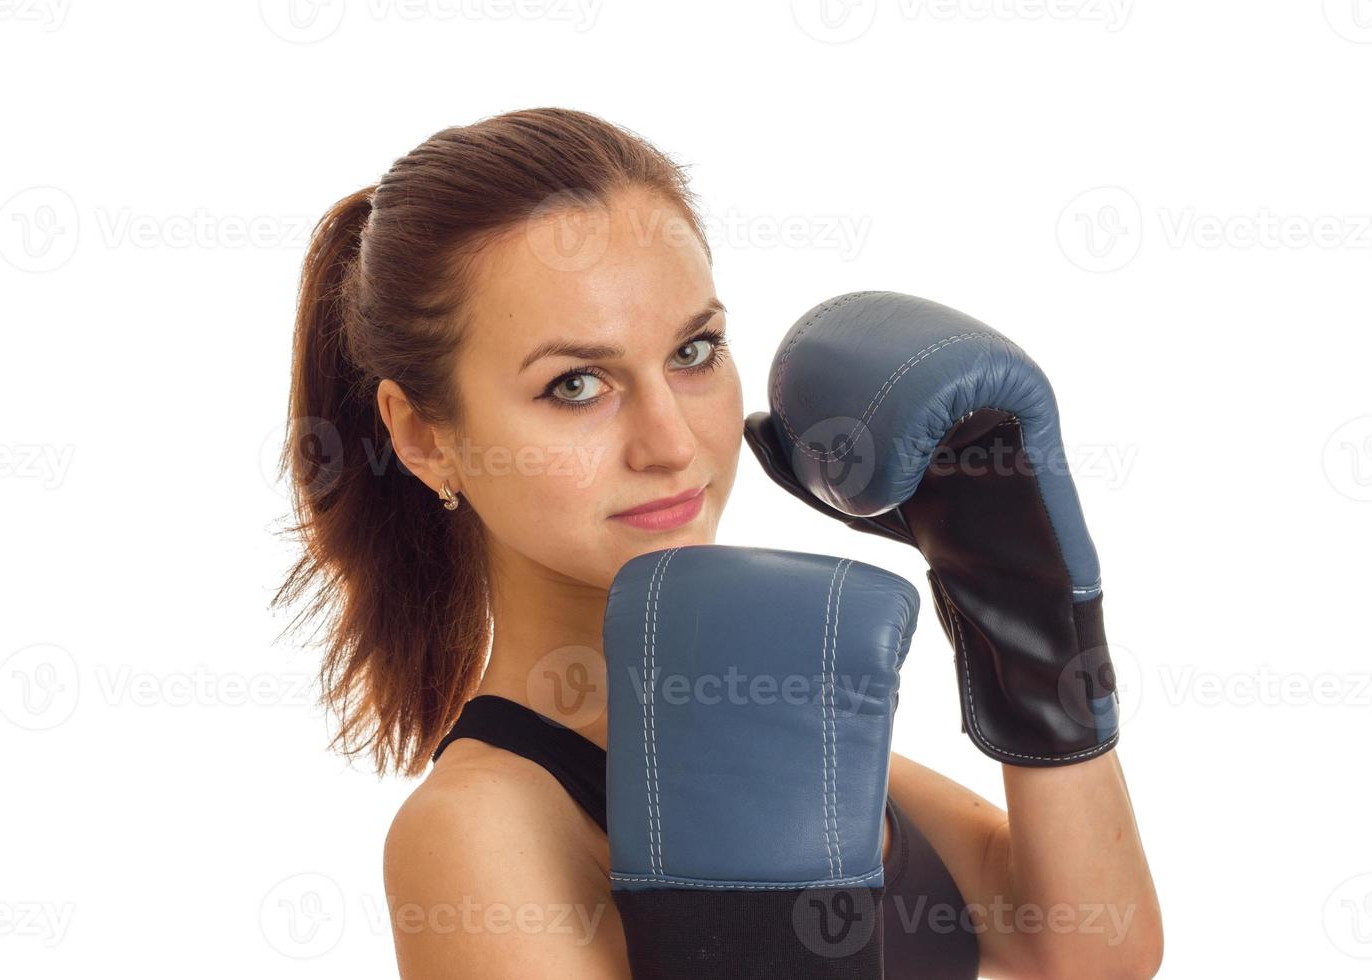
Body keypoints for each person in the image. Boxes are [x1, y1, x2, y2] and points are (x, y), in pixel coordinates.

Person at [273, 106, 1163, 978]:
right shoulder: (473, 830)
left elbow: (1089, 946)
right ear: (424, 435)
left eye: (694, 351)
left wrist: (1019, 602)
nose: (671, 442)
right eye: (576, 384)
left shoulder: (744, 714)